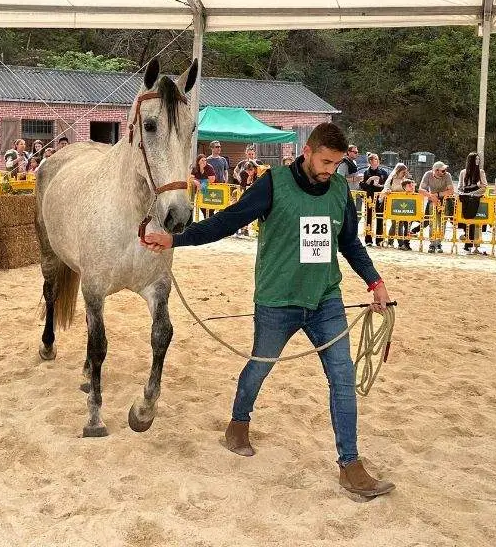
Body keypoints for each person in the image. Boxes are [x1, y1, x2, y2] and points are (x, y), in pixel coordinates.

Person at [141, 122, 394, 498]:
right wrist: (176, 240)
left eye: (337, 164)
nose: (330, 170)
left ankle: (351, 466)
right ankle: (238, 425)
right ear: (307, 151)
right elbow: (226, 222)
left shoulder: (340, 190)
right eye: (325, 161)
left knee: (342, 379)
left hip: (326, 299)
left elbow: (350, 244)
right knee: (260, 365)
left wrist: (375, 283)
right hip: (277, 300)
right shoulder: (274, 183)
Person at [418, 161, 454, 253]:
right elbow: (421, 189)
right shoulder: (428, 174)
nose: (445, 171)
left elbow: (451, 190)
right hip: (432, 200)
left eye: (445, 170)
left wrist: (436, 194)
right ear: (436, 171)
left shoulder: (447, 175)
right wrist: (431, 196)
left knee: (443, 222)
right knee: (432, 222)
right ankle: (432, 243)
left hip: (445, 201)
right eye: (442, 170)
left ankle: (439, 243)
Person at [457, 152, 488, 255]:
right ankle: (467, 243)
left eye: (479, 159)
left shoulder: (481, 172)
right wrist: (462, 193)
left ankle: (471, 245)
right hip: (465, 198)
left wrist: (472, 194)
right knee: (465, 221)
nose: (478, 161)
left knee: (474, 223)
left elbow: (484, 187)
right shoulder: (463, 172)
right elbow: (460, 186)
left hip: (475, 198)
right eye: (476, 159)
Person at [381, 163, 412, 250]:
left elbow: (409, 190)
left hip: (403, 204)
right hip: (392, 204)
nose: (404, 174)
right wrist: (387, 190)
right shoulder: (391, 179)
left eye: (405, 172)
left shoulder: (405, 180)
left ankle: (393, 242)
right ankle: (399, 243)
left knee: (400, 223)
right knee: (395, 223)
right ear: (398, 171)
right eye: (403, 172)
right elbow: (386, 188)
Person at [360, 153, 388, 246]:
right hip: (369, 198)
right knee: (368, 218)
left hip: (380, 198)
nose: (377, 161)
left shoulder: (383, 172)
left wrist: (380, 186)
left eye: (377, 159)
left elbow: (387, 186)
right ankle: (368, 240)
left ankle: (379, 240)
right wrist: (368, 181)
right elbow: (363, 186)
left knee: (380, 217)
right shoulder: (366, 172)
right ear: (370, 161)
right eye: (375, 159)